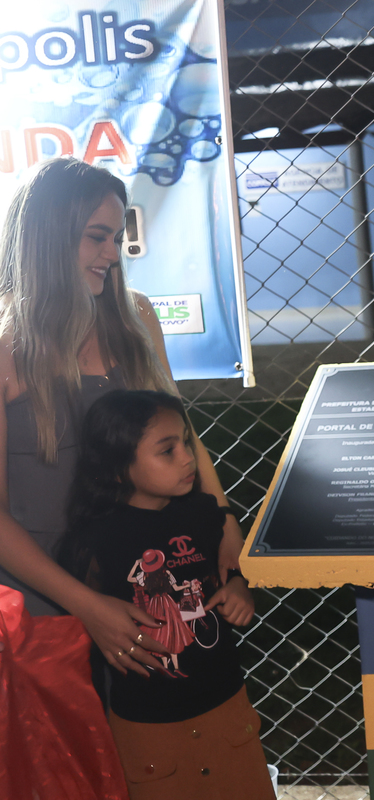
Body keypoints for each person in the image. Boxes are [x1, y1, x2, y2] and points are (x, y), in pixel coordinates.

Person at [0, 157, 244, 679]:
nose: (113, 254)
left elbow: (182, 436)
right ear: (48, 236)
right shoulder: (4, 347)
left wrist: (224, 520)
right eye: (97, 237)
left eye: (116, 238)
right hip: (43, 601)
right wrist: (88, 605)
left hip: (147, 581)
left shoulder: (137, 318)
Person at [60, 389, 273, 799]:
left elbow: (228, 573)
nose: (188, 458)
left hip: (226, 708)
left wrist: (239, 588)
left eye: (187, 443)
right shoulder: (96, 540)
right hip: (148, 728)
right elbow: (82, 617)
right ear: (118, 466)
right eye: (167, 450)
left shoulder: (203, 514)